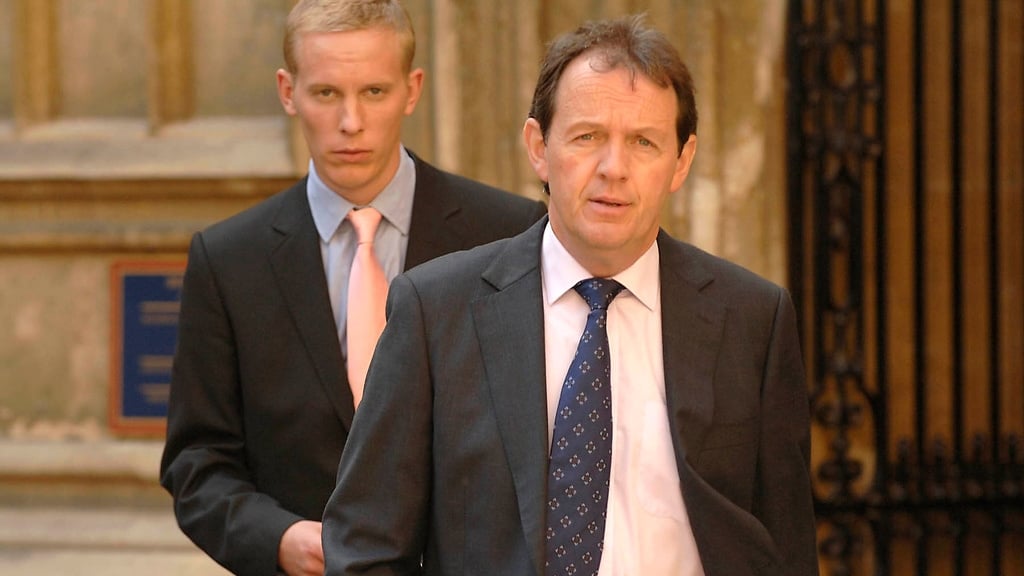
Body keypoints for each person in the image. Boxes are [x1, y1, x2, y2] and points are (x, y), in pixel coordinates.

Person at [321, 13, 818, 576]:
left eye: (643, 142)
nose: (614, 169)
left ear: (681, 162)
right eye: (588, 137)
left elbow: (787, 549)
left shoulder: (752, 319)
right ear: (539, 146)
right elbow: (365, 548)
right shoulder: (435, 311)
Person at [158, 1, 547, 574]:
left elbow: (544, 429)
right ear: (288, 92)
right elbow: (197, 461)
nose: (351, 122)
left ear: (412, 90)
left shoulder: (511, 233)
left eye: (373, 92)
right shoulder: (227, 260)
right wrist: (279, 538)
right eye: (326, 93)